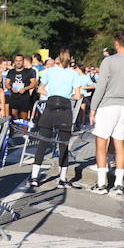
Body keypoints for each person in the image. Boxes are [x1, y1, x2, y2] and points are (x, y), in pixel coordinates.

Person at [89, 30, 124, 196]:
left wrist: (93, 107)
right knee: (120, 143)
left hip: (107, 104)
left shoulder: (108, 61)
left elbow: (101, 86)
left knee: (102, 143)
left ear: (116, 43)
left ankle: (101, 183)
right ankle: (119, 184)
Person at [30, 49, 83, 188]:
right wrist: (66, 96)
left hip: (50, 106)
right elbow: (77, 96)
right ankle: (62, 179)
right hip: (65, 109)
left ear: (58, 58)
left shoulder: (50, 71)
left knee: (43, 142)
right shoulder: (74, 74)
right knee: (63, 144)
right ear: (70, 59)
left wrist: (51, 94)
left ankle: (34, 177)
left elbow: (40, 89)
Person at [4, 53, 39, 122]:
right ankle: (15, 131)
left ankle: (24, 132)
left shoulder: (29, 71)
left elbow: (34, 83)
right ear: (14, 62)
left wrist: (25, 88)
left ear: (23, 61)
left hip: (24, 98)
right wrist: (11, 88)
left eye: (20, 60)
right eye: (16, 60)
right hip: (14, 97)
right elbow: (6, 83)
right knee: (14, 116)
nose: (18, 62)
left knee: (24, 118)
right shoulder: (11, 72)